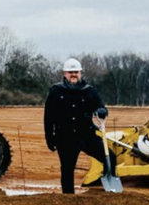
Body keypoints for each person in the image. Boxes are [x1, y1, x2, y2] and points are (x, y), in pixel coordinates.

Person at [44, 58, 115, 194]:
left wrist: (102, 111)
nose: (73, 75)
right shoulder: (55, 91)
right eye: (70, 72)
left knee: (110, 158)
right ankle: (68, 198)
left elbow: (100, 106)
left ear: (81, 73)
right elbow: (48, 117)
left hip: (87, 136)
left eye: (76, 72)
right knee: (67, 170)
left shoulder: (90, 91)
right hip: (65, 138)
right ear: (65, 73)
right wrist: (50, 139)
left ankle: (108, 192)